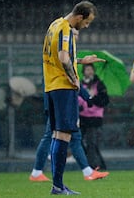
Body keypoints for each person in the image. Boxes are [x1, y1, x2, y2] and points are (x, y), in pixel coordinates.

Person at [30, 29, 109, 182]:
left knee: (67, 137)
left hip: (57, 97)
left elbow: (65, 66)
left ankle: (85, 172)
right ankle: (40, 172)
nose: (78, 37)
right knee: (57, 136)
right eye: (75, 34)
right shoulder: (63, 51)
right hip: (62, 100)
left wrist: (80, 61)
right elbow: (72, 78)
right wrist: (88, 97)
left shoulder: (62, 53)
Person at [43, 1, 105, 195]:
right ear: (79, 17)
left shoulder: (54, 25)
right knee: (64, 135)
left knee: (57, 134)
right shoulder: (66, 29)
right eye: (87, 22)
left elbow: (55, 56)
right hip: (64, 87)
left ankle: (57, 185)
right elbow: (62, 57)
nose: (86, 26)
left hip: (51, 86)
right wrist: (74, 78)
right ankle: (58, 186)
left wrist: (79, 60)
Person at [78, 64, 109, 170]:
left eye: (91, 69)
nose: (89, 72)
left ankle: (93, 166)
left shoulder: (99, 84)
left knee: (92, 142)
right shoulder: (80, 84)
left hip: (95, 118)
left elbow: (104, 101)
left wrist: (94, 97)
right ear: (84, 72)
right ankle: (98, 164)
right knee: (79, 142)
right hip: (82, 117)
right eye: (87, 69)